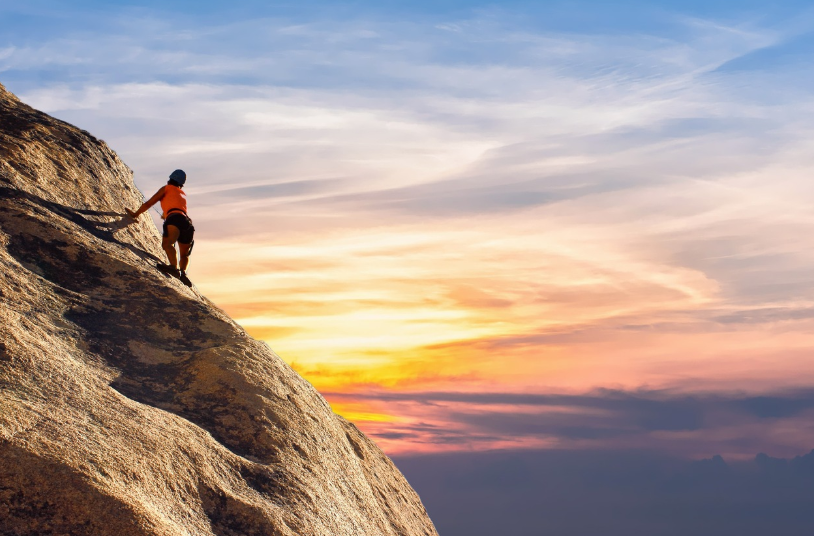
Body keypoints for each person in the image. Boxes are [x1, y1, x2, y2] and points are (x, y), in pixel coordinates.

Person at [126, 169, 195, 287]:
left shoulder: (166, 189)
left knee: (168, 244)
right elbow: (177, 208)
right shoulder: (182, 195)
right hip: (187, 223)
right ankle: (183, 273)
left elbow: (149, 203)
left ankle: (173, 267)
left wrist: (135, 214)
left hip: (174, 218)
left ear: (170, 179)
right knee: (184, 255)